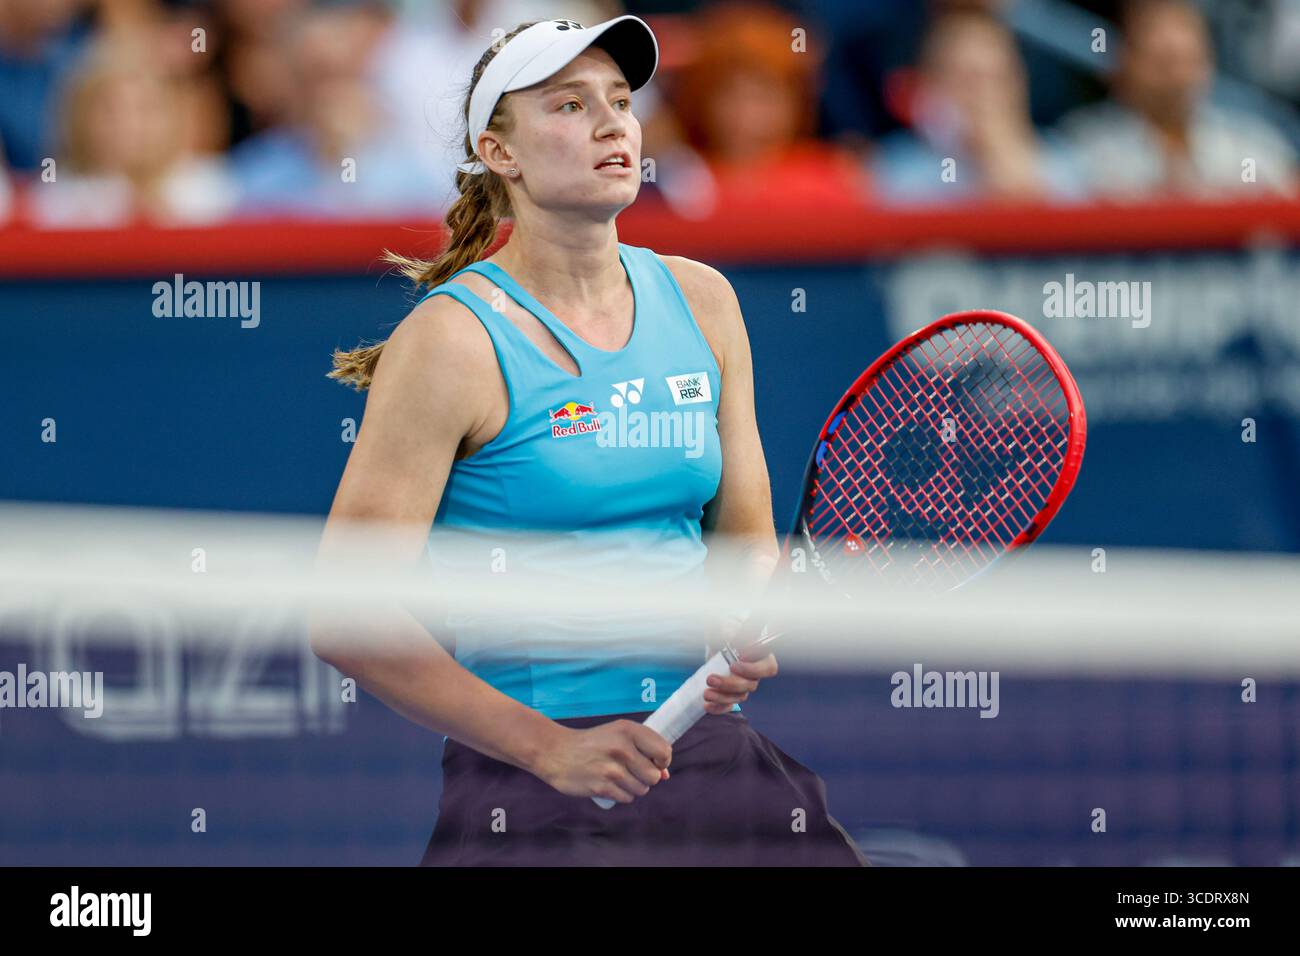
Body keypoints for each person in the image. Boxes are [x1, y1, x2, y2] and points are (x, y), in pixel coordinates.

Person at [311, 15, 867, 866]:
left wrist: (743, 617)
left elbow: (745, 531)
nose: (612, 124)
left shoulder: (705, 300)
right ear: (501, 154)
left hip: (710, 757)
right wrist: (548, 749)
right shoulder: (452, 341)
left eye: (620, 101)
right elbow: (347, 614)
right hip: (535, 780)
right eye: (569, 106)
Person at [1057, 0, 1297, 198]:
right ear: (1122, 63)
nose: (1175, 79)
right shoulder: (1086, 147)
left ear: (1208, 63)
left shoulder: (1250, 145)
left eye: (1186, 60)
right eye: (1161, 62)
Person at [871, 9, 1085, 204]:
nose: (984, 96)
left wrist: (1012, 169)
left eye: (997, 77)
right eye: (967, 80)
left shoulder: (1068, 166)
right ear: (929, 87)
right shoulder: (892, 175)